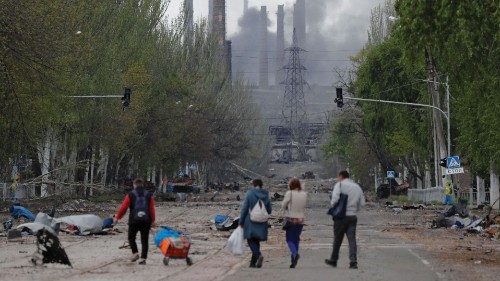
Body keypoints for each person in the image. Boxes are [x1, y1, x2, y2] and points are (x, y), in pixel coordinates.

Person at [325, 170, 365, 269]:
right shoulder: (356, 187)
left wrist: (337, 208)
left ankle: (334, 260)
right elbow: (362, 203)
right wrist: (354, 210)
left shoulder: (339, 185)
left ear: (341, 176)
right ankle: (353, 262)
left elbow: (334, 201)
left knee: (337, 239)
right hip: (352, 217)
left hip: (340, 217)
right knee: (352, 240)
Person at [114, 178, 156, 265]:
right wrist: (153, 220)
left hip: (134, 220)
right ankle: (143, 258)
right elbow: (151, 209)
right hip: (146, 220)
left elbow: (124, 207)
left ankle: (135, 253)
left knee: (131, 238)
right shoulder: (149, 195)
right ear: (142, 185)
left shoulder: (131, 194)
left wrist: (117, 217)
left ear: (134, 185)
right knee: (145, 240)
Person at [240, 179, 272, 268]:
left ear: (253, 185)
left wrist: (241, 221)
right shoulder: (266, 194)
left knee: (250, 240)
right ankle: (253, 264)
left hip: (250, 221)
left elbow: (244, 209)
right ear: (261, 185)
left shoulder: (250, 194)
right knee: (256, 241)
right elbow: (269, 210)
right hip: (262, 222)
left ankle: (258, 255)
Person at [281, 178, 307, 268]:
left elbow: (283, 205)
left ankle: (295, 254)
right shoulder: (304, 194)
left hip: (291, 219)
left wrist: (286, 208)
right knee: (296, 239)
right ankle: (293, 260)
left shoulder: (289, 193)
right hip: (301, 219)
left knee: (289, 239)